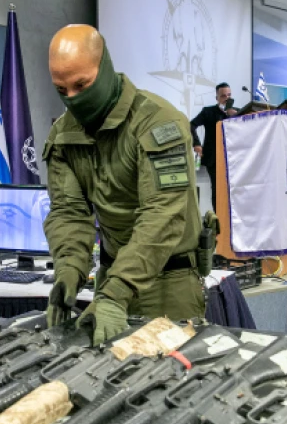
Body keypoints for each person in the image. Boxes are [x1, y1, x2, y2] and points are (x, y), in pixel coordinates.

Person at [42, 25, 204, 345]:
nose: (73, 98)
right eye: (62, 90)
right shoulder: (63, 136)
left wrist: (116, 292)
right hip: (112, 281)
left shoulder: (158, 123)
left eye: (82, 84)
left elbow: (162, 216)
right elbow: (69, 213)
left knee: (173, 383)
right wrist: (69, 272)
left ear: (104, 68)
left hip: (169, 282)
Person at [190, 83, 238, 212]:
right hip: (214, 158)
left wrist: (235, 116)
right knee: (217, 190)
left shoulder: (237, 113)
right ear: (217, 98)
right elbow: (191, 125)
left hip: (234, 158)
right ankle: (218, 222)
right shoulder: (208, 112)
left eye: (229, 95)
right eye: (223, 96)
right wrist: (196, 144)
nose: (227, 98)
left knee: (233, 190)